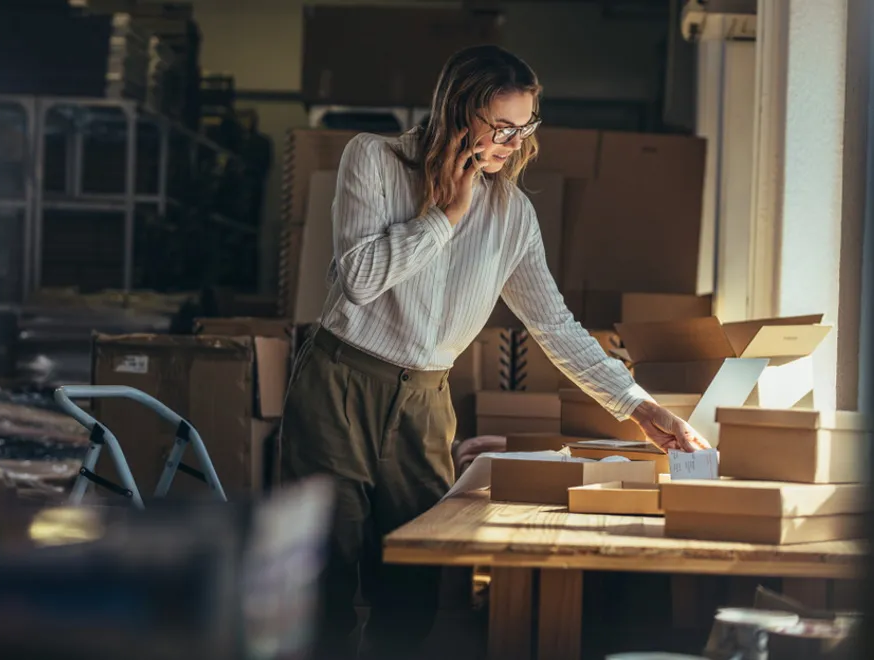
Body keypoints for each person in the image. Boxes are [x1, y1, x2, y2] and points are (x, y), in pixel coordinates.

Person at [279, 44, 711, 660]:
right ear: (458, 111)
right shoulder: (372, 159)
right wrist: (446, 216)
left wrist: (640, 407)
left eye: (525, 126)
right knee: (322, 567)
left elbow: (555, 326)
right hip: (339, 382)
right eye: (501, 126)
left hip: (425, 402)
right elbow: (358, 278)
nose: (514, 141)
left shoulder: (512, 214)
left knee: (412, 580)